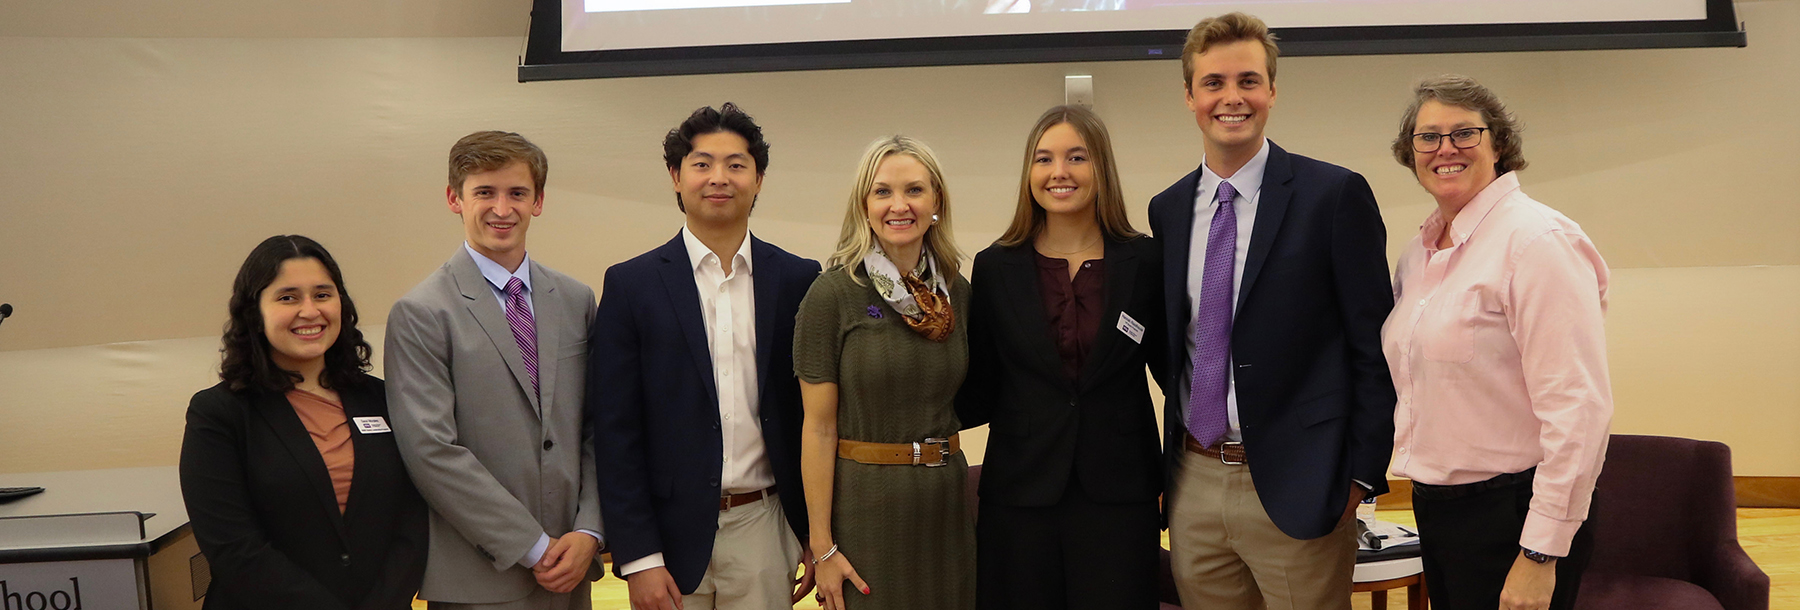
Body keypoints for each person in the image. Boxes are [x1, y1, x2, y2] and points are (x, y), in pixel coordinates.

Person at [1146, 12, 1397, 610]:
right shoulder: (1169, 210)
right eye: (1213, 83)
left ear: (1272, 91)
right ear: (1188, 95)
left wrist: (1361, 477)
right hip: (1195, 479)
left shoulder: (1333, 196)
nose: (1232, 98)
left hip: (1300, 483)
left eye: (1248, 81)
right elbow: (1173, 343)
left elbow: (1375, 348)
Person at [1383, 75, 1611, 610]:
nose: (1445, 149)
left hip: (1512, 514)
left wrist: (1539, 555)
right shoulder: (1420, 253)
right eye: (1428, 136)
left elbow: (1579, 411)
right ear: (1409, 150)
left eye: (1465, 133)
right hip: (1439, 510)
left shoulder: (1537, 243)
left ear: (1499, 144)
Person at [589, 102, 821, 610]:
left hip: (765, 522)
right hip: (667, 537)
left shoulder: (800, 279)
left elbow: (813, 417)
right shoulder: (631, 285)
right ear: (676, 177)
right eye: (701, 164)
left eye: (736, 164)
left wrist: (814, 533)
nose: (719, 178)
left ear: (759, 178)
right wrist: (639, 557)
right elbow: (614, 429)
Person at [956, 105, 1164, 609]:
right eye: (1044, 159)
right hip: (1021, 496)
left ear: (1102, 169)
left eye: (1077, 157)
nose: (1059, 172)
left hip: (1121, 493)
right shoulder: (994, 267)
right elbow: (980, 383)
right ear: (1029, 173)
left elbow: (1177, 373)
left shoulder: (1146, 260)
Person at [386, 131, 603, 609]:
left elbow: (595, 428)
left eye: (517, 193)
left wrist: (589, 528)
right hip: (480, 575)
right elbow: (430, 450)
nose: (502, 208)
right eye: (484, 192)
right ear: (454, 199)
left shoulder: (576, 300)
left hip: (573, 568)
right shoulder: (421, 312)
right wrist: (533, 546)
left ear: (538, 202)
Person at [179, 235, 427, 610]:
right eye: (287, 297)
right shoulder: (219, 414)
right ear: (254, 314)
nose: (310, 311)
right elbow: (233, 548)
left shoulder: (386, 399)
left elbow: (414, 521)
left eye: (323, 295)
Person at [794, 135, 974, 610]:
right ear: (864, 205)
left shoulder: (958, 294)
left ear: (936, 202)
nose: (900, 205)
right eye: (882, 192)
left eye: (914, 190)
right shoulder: (831, 295)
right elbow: (817, 428)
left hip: (946, 508)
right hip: (866, 512)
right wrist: (822, 545)